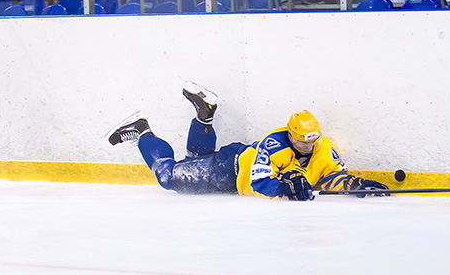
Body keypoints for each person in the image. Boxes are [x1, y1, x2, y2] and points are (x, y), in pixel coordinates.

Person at [106, 82, 388, 200]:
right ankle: (142, 131)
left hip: (234, 161)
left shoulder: (325, 149)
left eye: (311, 141)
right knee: (169, 177)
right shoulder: (273, 144)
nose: (307, 147)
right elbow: (259, 183)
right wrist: (284, 188)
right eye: (301, 142)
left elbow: (330, 176)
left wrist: (353, 185)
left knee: (194, 161)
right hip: (229, 170)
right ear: (290, 135)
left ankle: (204, 117)